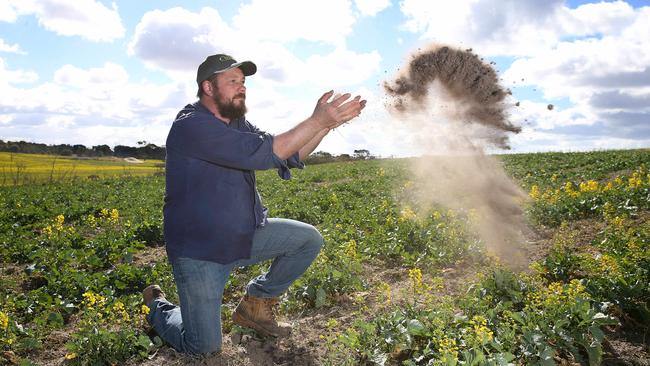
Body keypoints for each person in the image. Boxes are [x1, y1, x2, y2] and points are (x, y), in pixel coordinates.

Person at [142, 53, 366, 354]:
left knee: (306, 240)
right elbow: (268, 151)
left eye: (243, 81)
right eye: (232, 81)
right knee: (203, 348)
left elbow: (289, 154)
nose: (242, 87)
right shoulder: (192, 125)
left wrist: (326, 125)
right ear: (208, 88)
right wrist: (316, 120)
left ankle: (256, 306)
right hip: (200, 252)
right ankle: (158, 307)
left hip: (242, 235)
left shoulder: (237, 124)